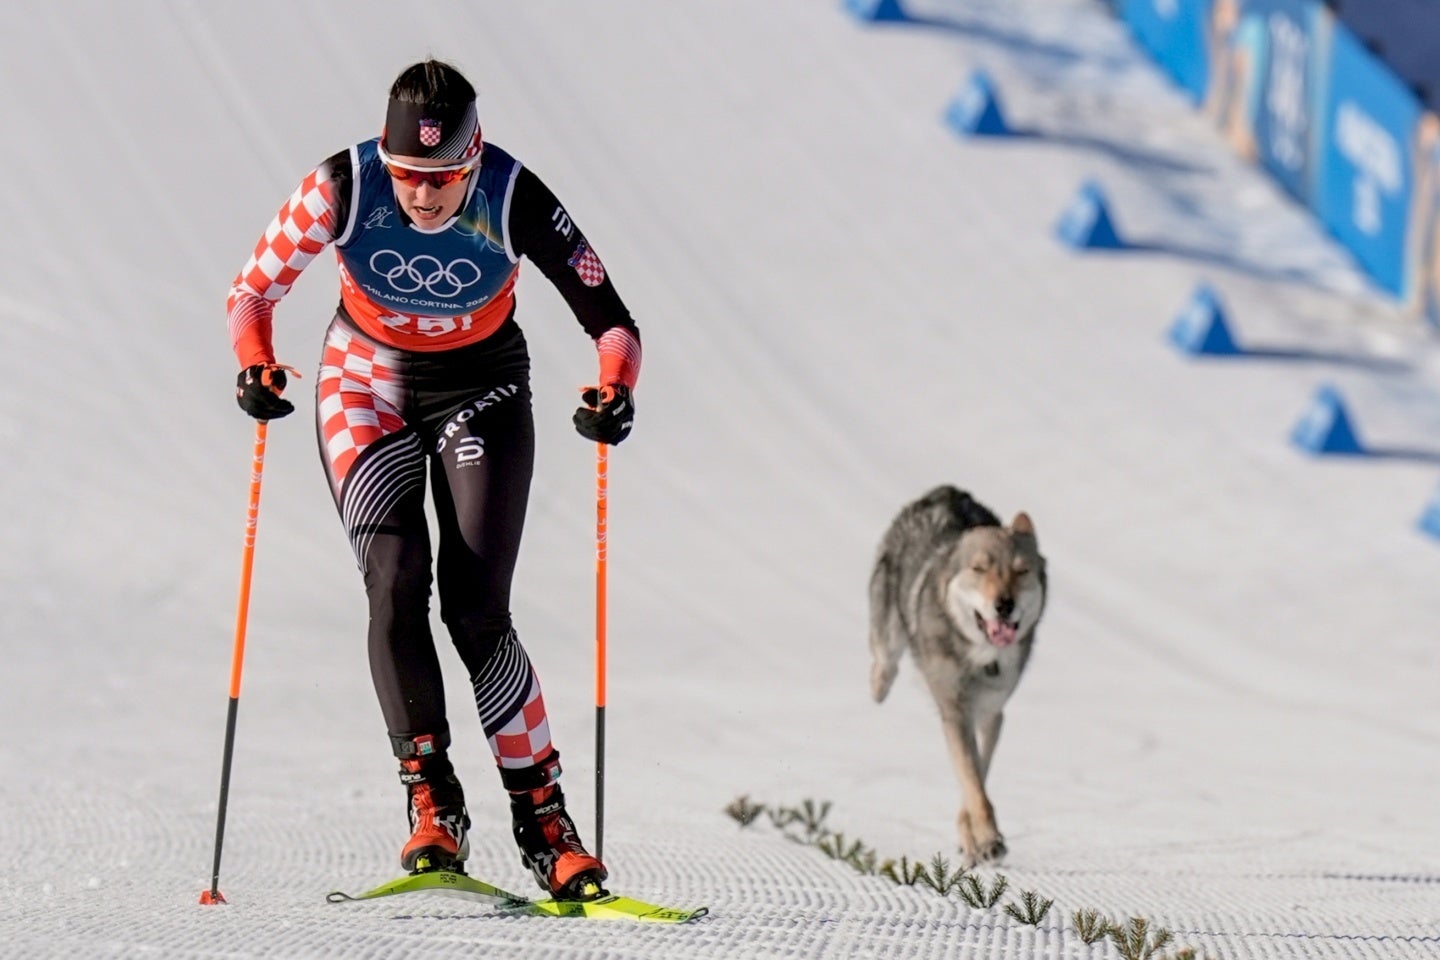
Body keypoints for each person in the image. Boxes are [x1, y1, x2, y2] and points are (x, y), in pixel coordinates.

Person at [226, 59, 639, 900]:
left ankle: (545, 822)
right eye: (410, 178)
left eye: (443, 178)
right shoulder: (344, 184)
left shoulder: (513, 193)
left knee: (478, 606)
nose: (423, 197)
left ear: (472, 157)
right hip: (362, 382)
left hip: (480, 384)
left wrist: (614, 389)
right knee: (395, 580)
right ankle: (431, 802)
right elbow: (252, 292)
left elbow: (612, 320)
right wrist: (256, 364)